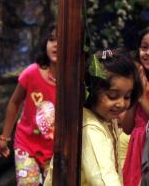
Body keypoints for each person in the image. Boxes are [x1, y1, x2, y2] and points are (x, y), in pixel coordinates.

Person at [44, 48, 142, 186]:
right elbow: (104, 178)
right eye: (112, 96)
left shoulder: (106, 119)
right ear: (93, 91)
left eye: (127, 96)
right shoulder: (91, 129)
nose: (121, 103)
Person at [0, 25, 57, 185]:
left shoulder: (73, 80)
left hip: (56, 150)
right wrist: (4, 138)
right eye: (51, 39)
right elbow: (14, 102)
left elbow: (102, 56)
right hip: (26, 145)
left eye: (61, 40)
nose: (55, 44)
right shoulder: (31, 73)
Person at [122, 27, 149, 186]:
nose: (147, 53)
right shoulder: (137, 79)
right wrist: (134, 94)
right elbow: (127, 128)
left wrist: (141, 95)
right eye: (144, 47)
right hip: (136, 147)